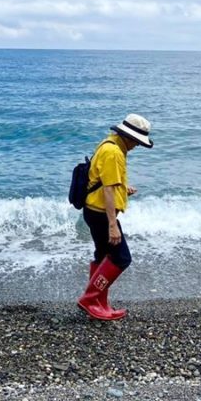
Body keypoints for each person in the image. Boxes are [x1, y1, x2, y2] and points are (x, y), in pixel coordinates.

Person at [77, 114, 153, 321]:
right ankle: (90, 299)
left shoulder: (109, 144)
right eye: (136, 141)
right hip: (101, 214)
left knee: (103, 256)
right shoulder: (114, 153)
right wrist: (113, 225)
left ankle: (99, 302)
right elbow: (108, 190)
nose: (136, 146)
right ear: (128, 136)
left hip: (94, 209)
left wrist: (123, 189)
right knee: (121, 258)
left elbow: (104, 180)